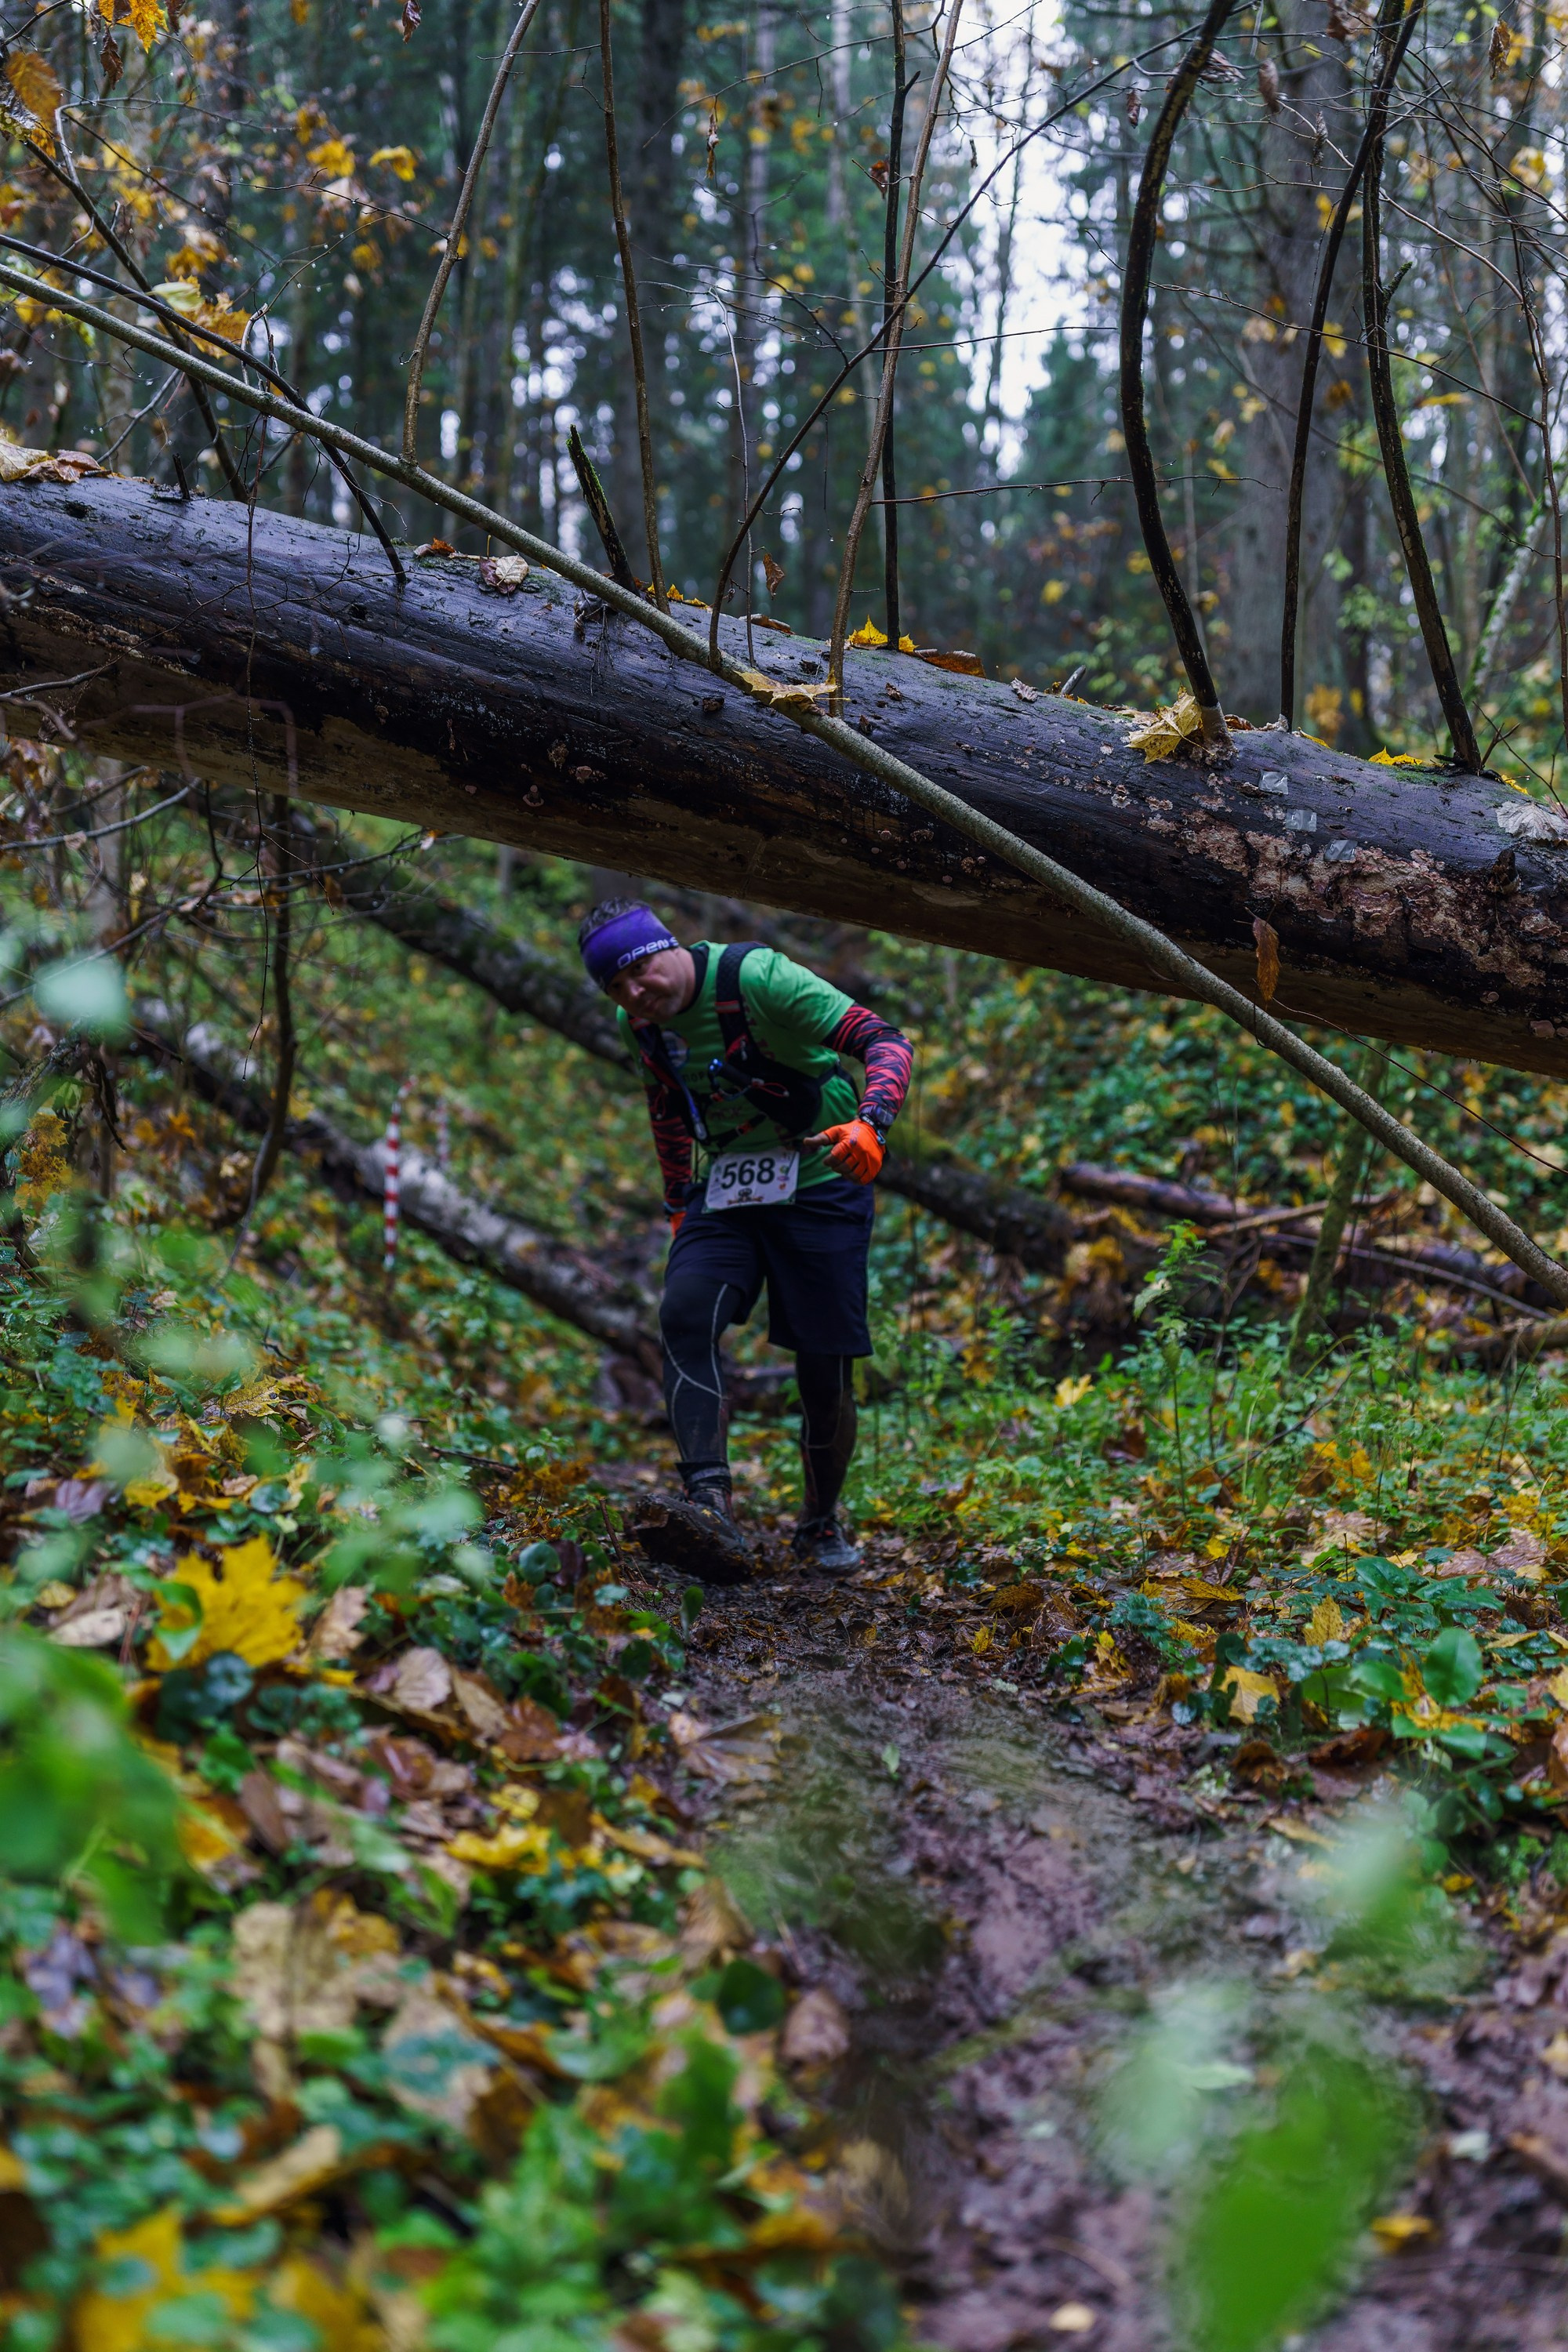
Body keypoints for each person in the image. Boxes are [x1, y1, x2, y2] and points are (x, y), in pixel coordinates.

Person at [578, 898, 913, 1577]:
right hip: (726, 1189)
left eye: (639, 970)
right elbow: (668, 1108)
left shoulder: (759, 978)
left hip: (822, 1177)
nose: (635, 993)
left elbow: (885, 1039)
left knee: (823, 1366)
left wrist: (871, 1122)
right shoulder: (637, 1024)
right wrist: (679, 1205)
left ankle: (818, 1524)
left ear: (668, 946)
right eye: (616, 986)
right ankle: (708, 1503)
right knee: (685, 1311)